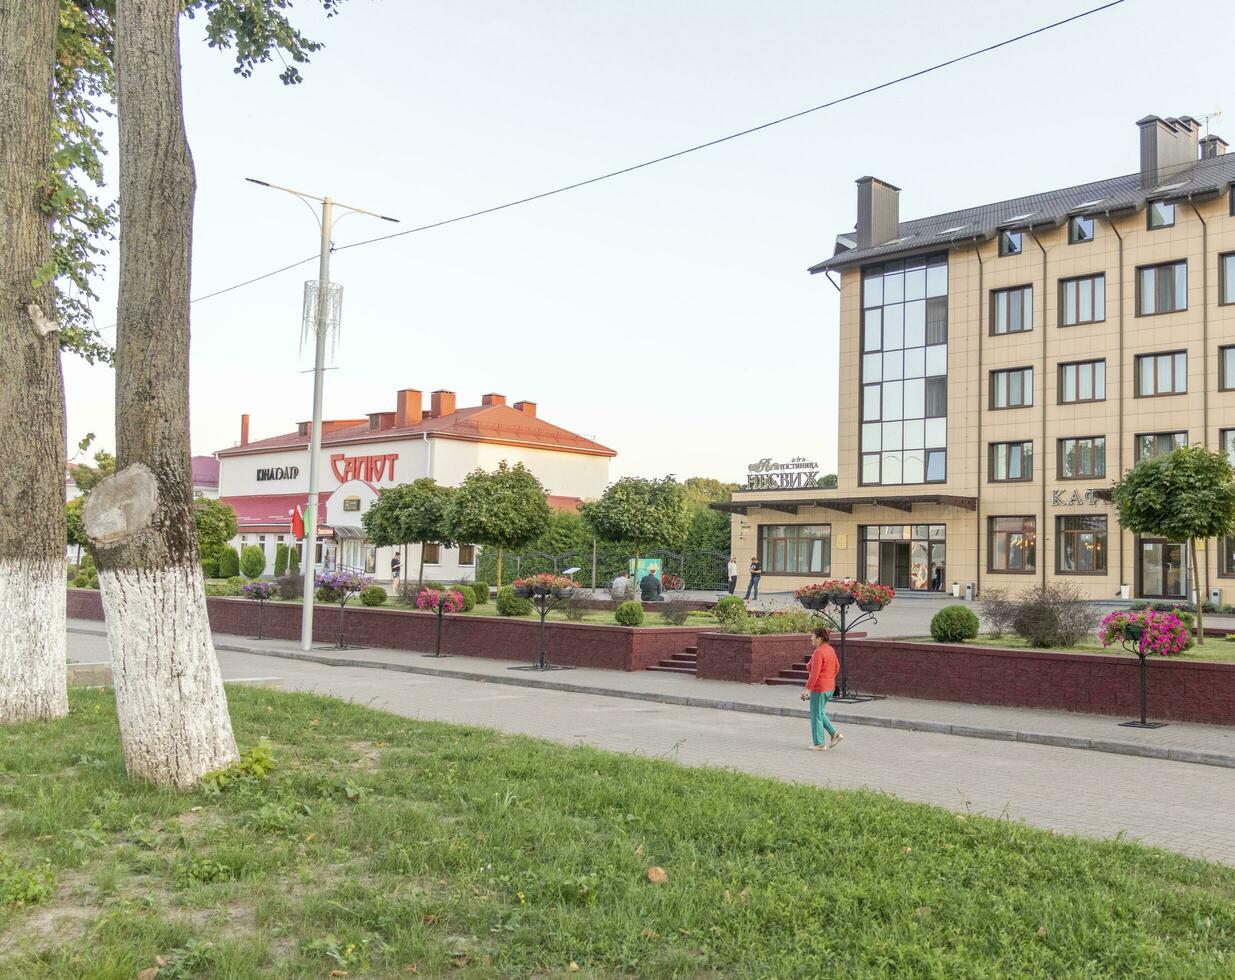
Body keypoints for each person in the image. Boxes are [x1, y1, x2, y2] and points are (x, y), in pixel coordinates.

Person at [801, 625, 844, 750]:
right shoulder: (830, 649)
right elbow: (837, 667)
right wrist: (829, 678)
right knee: (819, 712)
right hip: (829, 687)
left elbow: (815, 673)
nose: (811, 638)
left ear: (819, 638)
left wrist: (807, 689)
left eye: (813, 636)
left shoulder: (819, 652)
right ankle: (835, 734)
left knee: (816, 715)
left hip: (819, 688)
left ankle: (819, 743)